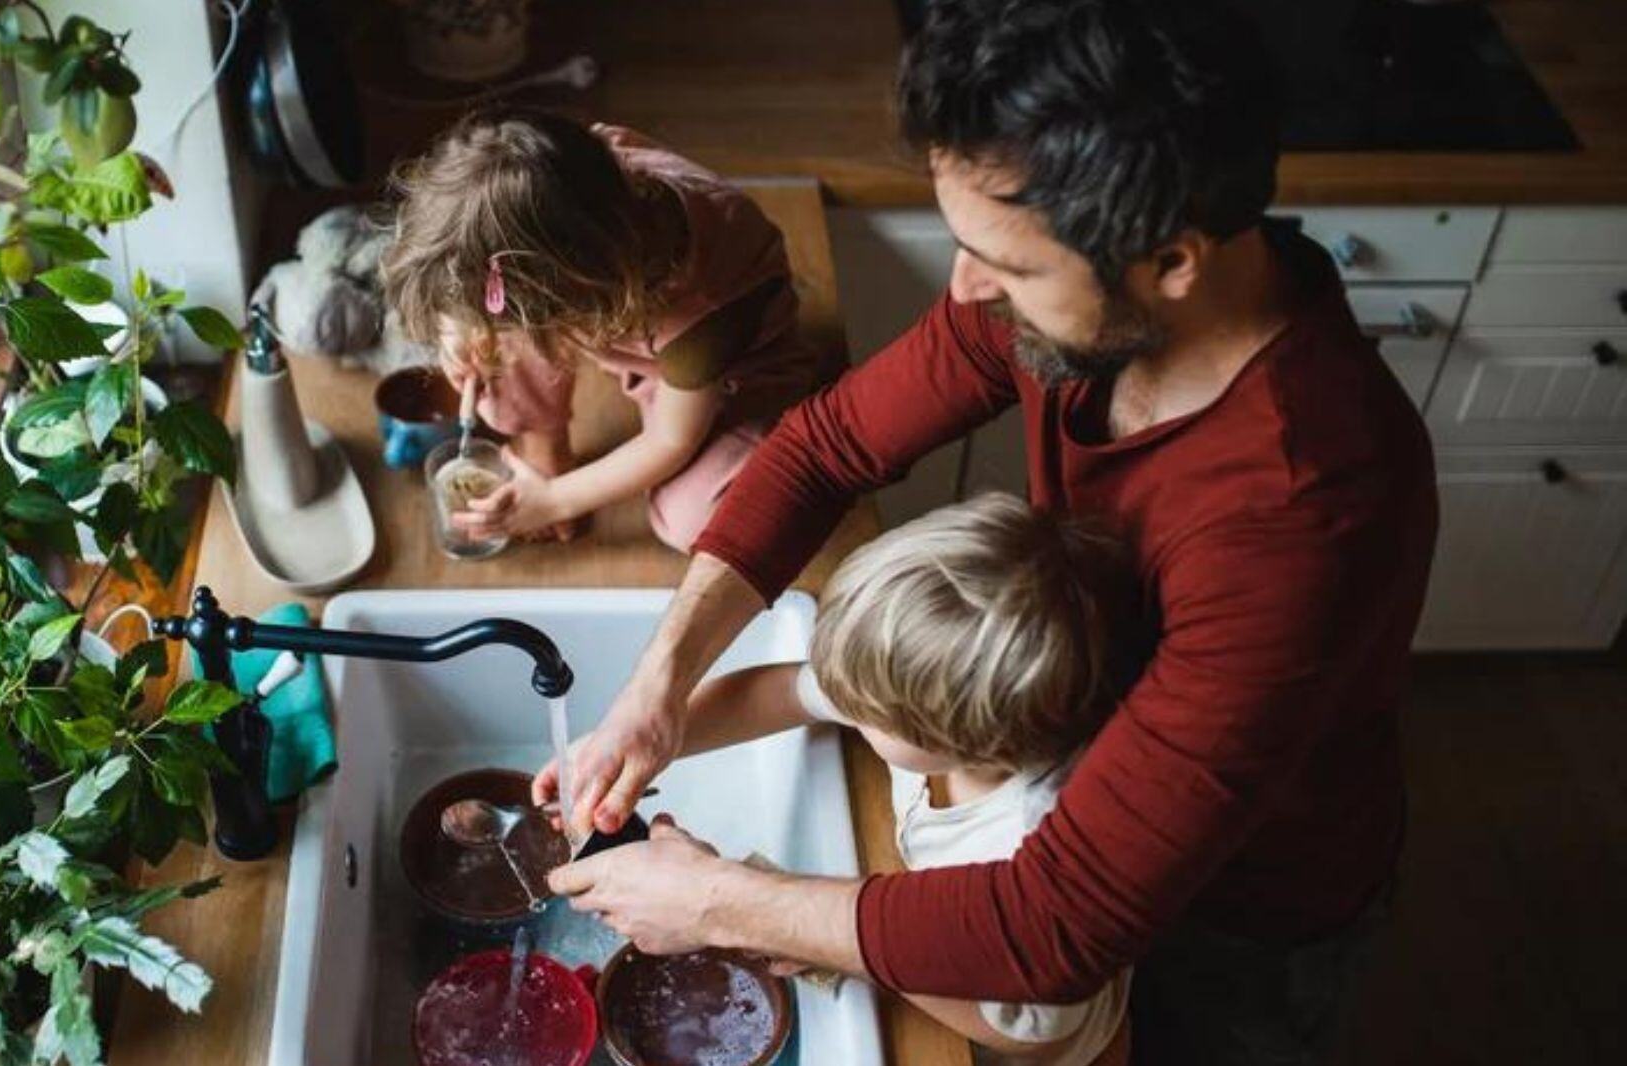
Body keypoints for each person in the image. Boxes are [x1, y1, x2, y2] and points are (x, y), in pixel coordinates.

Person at [540, 1, 1438, 1062]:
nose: (964, 289)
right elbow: (824, 448)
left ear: (1172, 260)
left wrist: (723, 903)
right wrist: (659, 684)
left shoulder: (1303, 514)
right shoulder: (1064, 291)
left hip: (1240, 904)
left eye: (1002, 267)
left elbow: (1055, 927)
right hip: (1057, 772)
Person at [670, 494, 1142, 1064]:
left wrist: (829, 942)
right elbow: (781, 692)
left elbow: (1023, 1028)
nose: (839, 700)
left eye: (863, 710)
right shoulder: (931, 702)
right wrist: (657, 741)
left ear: (959, 745)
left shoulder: (1026, 840)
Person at [382, 108, 837, 549]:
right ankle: (545, 447)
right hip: (607, 307)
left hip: (732, 372)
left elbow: (671, 441)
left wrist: (557, 501)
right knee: (492, 338)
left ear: (585, 301)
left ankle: (766, 428)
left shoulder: (704, 311)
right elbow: (495, 256)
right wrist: (457, 330)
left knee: (698, 521)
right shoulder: (579, 171)